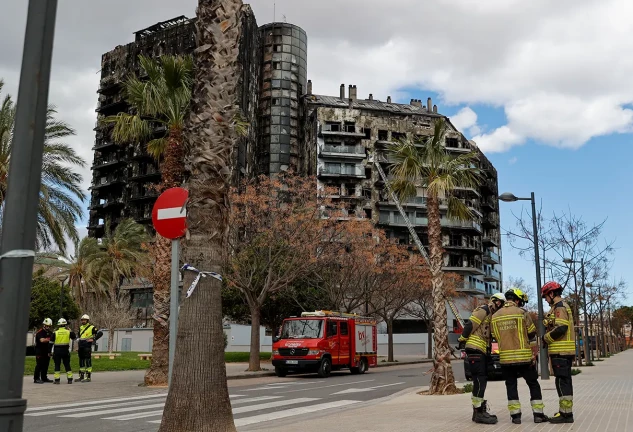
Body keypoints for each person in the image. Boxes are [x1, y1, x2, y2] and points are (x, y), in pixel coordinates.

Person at [492, 288, 549, 425]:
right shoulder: (522, 313)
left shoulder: (495, 316)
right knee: (533, 384)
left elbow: (494, 336)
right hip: (524, 358)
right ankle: (538, 415)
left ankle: (516, 417)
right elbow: (531, 333)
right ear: (517, 300)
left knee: (511, 386)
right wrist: (533, 353)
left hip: (506, 359)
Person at [458, 293, 506, 424]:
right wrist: (462, 339)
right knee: (479, 380)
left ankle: (479, 411)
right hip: (475, 349)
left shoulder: (491, 315)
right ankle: (478, 413)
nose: (501, 307)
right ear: (496, 302)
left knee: (482, 380)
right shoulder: (483, 310)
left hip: (481, 350)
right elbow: (470, 325)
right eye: (501, 304)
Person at [542, 281, 576, 424]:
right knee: (562, 381)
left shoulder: (560, 308)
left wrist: (546, 338)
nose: (545, 299)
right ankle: (564, 411)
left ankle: (566, 415)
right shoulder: (557, 307)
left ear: (551, 293)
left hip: (561, 351)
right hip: (562, 352)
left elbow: (561, 328)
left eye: (546, 296)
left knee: (563, 382)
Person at [78, 314, 103, 382]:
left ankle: (88, 377)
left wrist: (94, 339)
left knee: (88, 361)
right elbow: (80, 337)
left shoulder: (92, 327)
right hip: (81, 346)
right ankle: (81, 376)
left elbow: (100, 333)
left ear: (87, 320)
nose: (83, 321)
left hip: (87, 346)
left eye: (84, 320)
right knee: (81, 361)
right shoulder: (80, 327)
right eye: (82, 320)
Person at [51, 318, 76, 384]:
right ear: (65, 325)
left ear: (58, 325)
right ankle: (70, 379)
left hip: (57, 351)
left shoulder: (55, 332)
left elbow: (51, 342)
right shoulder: (68, 332)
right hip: (65, 351)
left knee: (57, 365)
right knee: (67, 365)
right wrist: (71, 331)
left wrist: (49, 351)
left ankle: (57, 380)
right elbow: (74, 337)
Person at [34, 318, 54, 384]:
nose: (48, 327)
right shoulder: (40, 332)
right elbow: (42, 340)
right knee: (39, 365)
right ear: (44, 325)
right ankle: (36, 378)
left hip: (47, 351)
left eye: (49, 326)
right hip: (40, 351)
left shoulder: (50, 333)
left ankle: (44, 377)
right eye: (47, 325)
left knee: (46, 365)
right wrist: (49, 339)